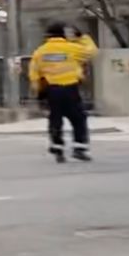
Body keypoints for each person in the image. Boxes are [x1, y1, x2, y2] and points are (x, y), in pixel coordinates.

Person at [28, 23, 98, 163]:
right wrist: (82, 37)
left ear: (47, 36)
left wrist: (38, 92)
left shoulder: (40, 52)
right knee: (78, 118)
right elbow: (91, 52)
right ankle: (79, 148)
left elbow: (34, 73)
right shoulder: (71, 48)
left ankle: (57, 148)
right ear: (63, 35)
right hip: (70, 88)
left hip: (51, 90)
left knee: (55, 119)